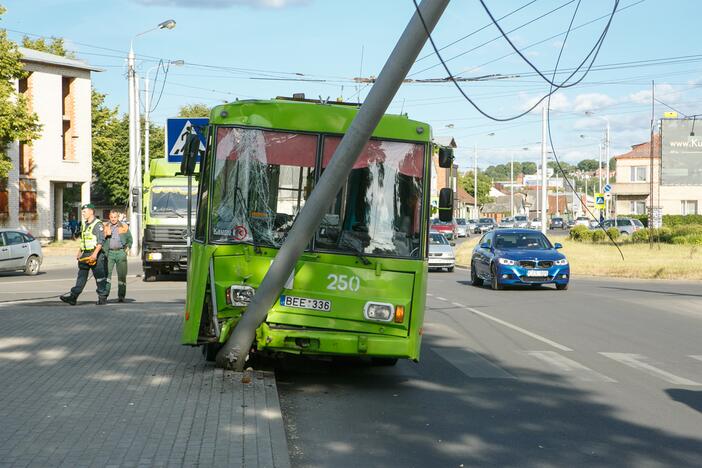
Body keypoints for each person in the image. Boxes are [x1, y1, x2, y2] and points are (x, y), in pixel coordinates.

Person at [60, 203, 109, 305]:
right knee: (81, 277)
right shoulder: (84, 224)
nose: (82, 213)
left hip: (95, 254)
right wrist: (79, 252)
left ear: (91, 211)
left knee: (99, 277)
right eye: (82, 212)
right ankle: (73, 297)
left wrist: (95, 254)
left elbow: (101, 241)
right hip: (85, 254)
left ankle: (102, 298)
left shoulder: (98, 224)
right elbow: (83, 240)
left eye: (84, 211)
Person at [102, 209, 132, 303]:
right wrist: (106, 234)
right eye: (111, 217)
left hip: (120, 253)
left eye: (115, 217)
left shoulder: (124, 226)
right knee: (107, 275)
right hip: (109, 254)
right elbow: (100, 239)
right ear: (109, 217)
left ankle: (121, 296)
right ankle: (104, 295)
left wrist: (127, 249)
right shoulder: (105, 226)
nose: (113, 219)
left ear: (118, 217)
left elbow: (130, 239)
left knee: (122, 276)